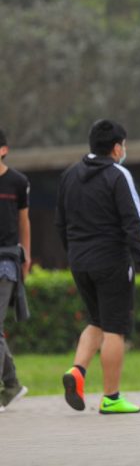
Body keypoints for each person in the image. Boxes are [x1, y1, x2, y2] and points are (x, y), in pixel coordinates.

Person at [55, 119, 140, 414]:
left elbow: (60, 222)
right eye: (123, 146)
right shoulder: (118, 175)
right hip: (111, 261)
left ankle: (77, 371)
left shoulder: (69, 176)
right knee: (115, 327)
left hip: (79, 261)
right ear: (116, 148)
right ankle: (111, 398)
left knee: (96, 320)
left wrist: (74, 253)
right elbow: (134, 223)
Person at [0, 129, 30, 411]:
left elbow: (24, 221)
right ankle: (12, 384)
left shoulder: (17, 182)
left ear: (3, 150)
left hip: (6, 262)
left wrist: (26, 256)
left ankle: (10, 385)